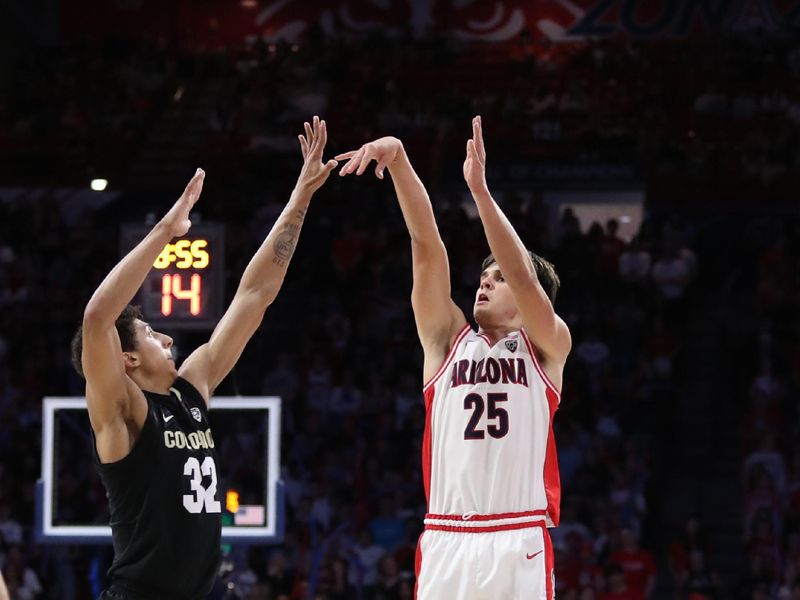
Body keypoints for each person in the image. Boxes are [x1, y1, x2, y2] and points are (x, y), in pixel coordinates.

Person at [70, 116, 337, 600]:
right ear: (126, 359)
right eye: (153, 334)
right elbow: (96, 321)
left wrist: (300, 199)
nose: (170, 341)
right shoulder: (122, 412)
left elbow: (255, 294)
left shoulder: (191, 388)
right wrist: (166, 232)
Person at [337, 116, 571, 599]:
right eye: (484, 276)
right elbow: (426, 249)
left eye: (497, 277)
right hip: (446, 534)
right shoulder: (446, 341)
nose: (485, 281)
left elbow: (524, 277)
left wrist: (480, 194)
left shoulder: (547, 346)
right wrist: (400, 162)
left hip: (516, 534)